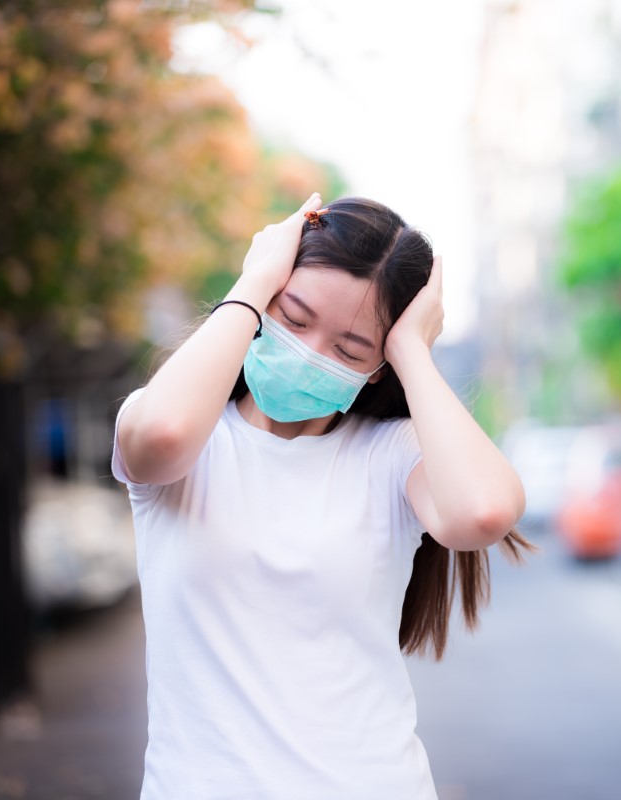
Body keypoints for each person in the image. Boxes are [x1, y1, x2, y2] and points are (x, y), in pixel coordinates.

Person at [111, 192, 531, 799]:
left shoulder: (390, 455)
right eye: (294, 317)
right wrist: (254, 280)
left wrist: (412, 349)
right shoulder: (183, 432)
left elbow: (483, 511)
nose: (309, 353)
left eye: (350, 349)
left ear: (377, 367)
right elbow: (162, 436)